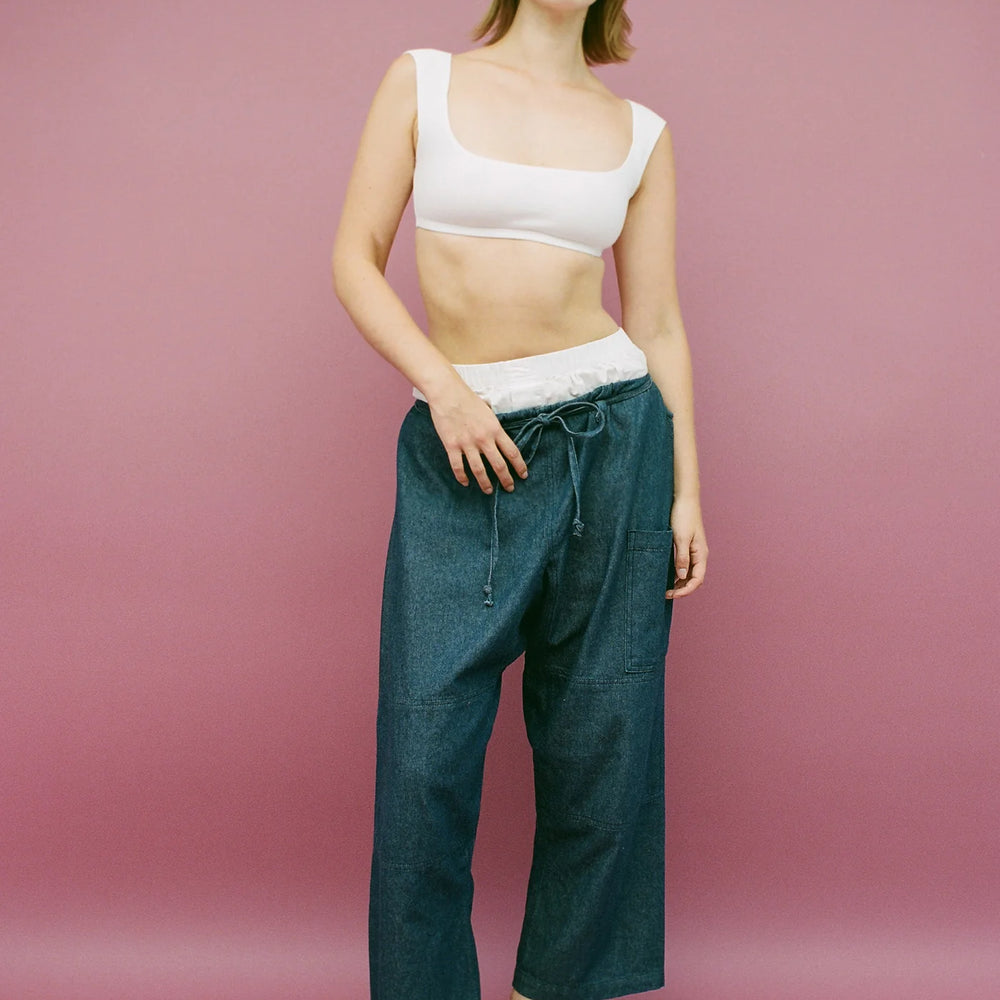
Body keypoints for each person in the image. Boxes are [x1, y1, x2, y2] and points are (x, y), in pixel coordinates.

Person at [332, 1, 707, 997]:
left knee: (602, 748)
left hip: (615, 443)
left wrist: (685, 491)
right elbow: (353, 258)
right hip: (465, 446)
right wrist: (443, 388)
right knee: (424, 754)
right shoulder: (423, 80)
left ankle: (561, 988)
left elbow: (659, 323)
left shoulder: (639, 131)